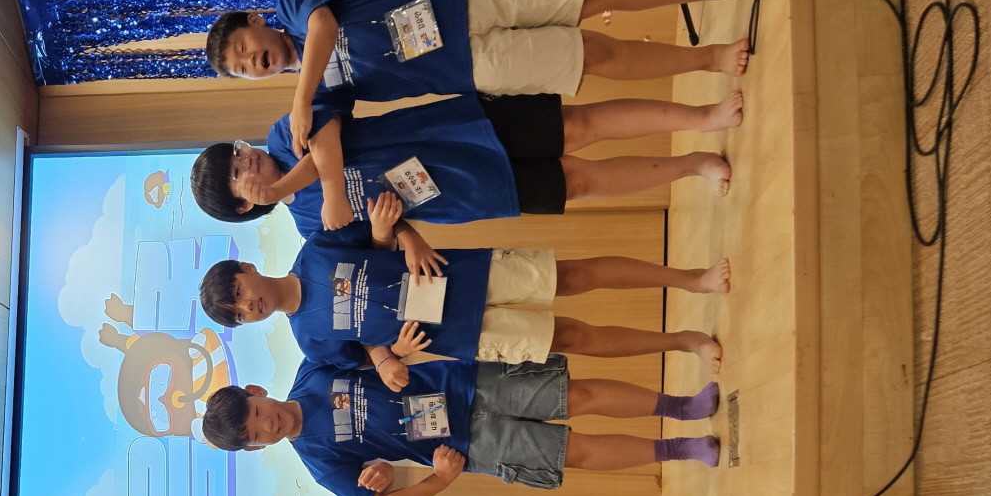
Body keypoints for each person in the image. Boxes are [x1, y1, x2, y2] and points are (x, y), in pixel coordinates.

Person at [206, 0, 758, 155]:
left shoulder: (292, 11)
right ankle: (708, 61)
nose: (252, 62)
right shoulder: (319, 96)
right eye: (243, 69)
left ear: (256, 21)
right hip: (473, 67)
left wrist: (301, 98)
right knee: (596, 56)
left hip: (466, 2)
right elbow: (326, 143)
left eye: (244, 48)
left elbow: (324, 25)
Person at [199, 190, 728, 374]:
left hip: (457, 275)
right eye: (239, 314)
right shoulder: (310, 342)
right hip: (458, 335)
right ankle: (683, 342)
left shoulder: (315, 249)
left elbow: (384, 235)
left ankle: (692, 279)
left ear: (248, 270)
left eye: (239, 295)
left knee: (576, 275)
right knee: (572, 337)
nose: (249, 306)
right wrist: (394, 356)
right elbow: (373, 356)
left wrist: (400, 236)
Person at [199, 356, 721, 496]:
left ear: (256, 391)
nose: (266, 424)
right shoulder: (316, 459)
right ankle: (681, 450)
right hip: (464, 447)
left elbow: (367, 338)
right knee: (575, 452)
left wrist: (386, 355)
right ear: (256, 447)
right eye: (254, 434)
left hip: (465, 384)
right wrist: (437, 481)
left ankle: (682, 407)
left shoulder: (313, 370)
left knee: (575, 395)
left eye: (256, 412)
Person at [190, 92, 735, 234]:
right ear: (241, 205)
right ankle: (693, 164)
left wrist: (293, 185)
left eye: (235, 152)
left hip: (459, 129)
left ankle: (704, 115)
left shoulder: (282, 135)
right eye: (236, 172)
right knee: (580, 181)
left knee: (581, 124)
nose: (246, 159)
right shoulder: (310, 225)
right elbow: (380, 236)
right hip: (465, 193)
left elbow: (326, 139)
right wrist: (394, 235)